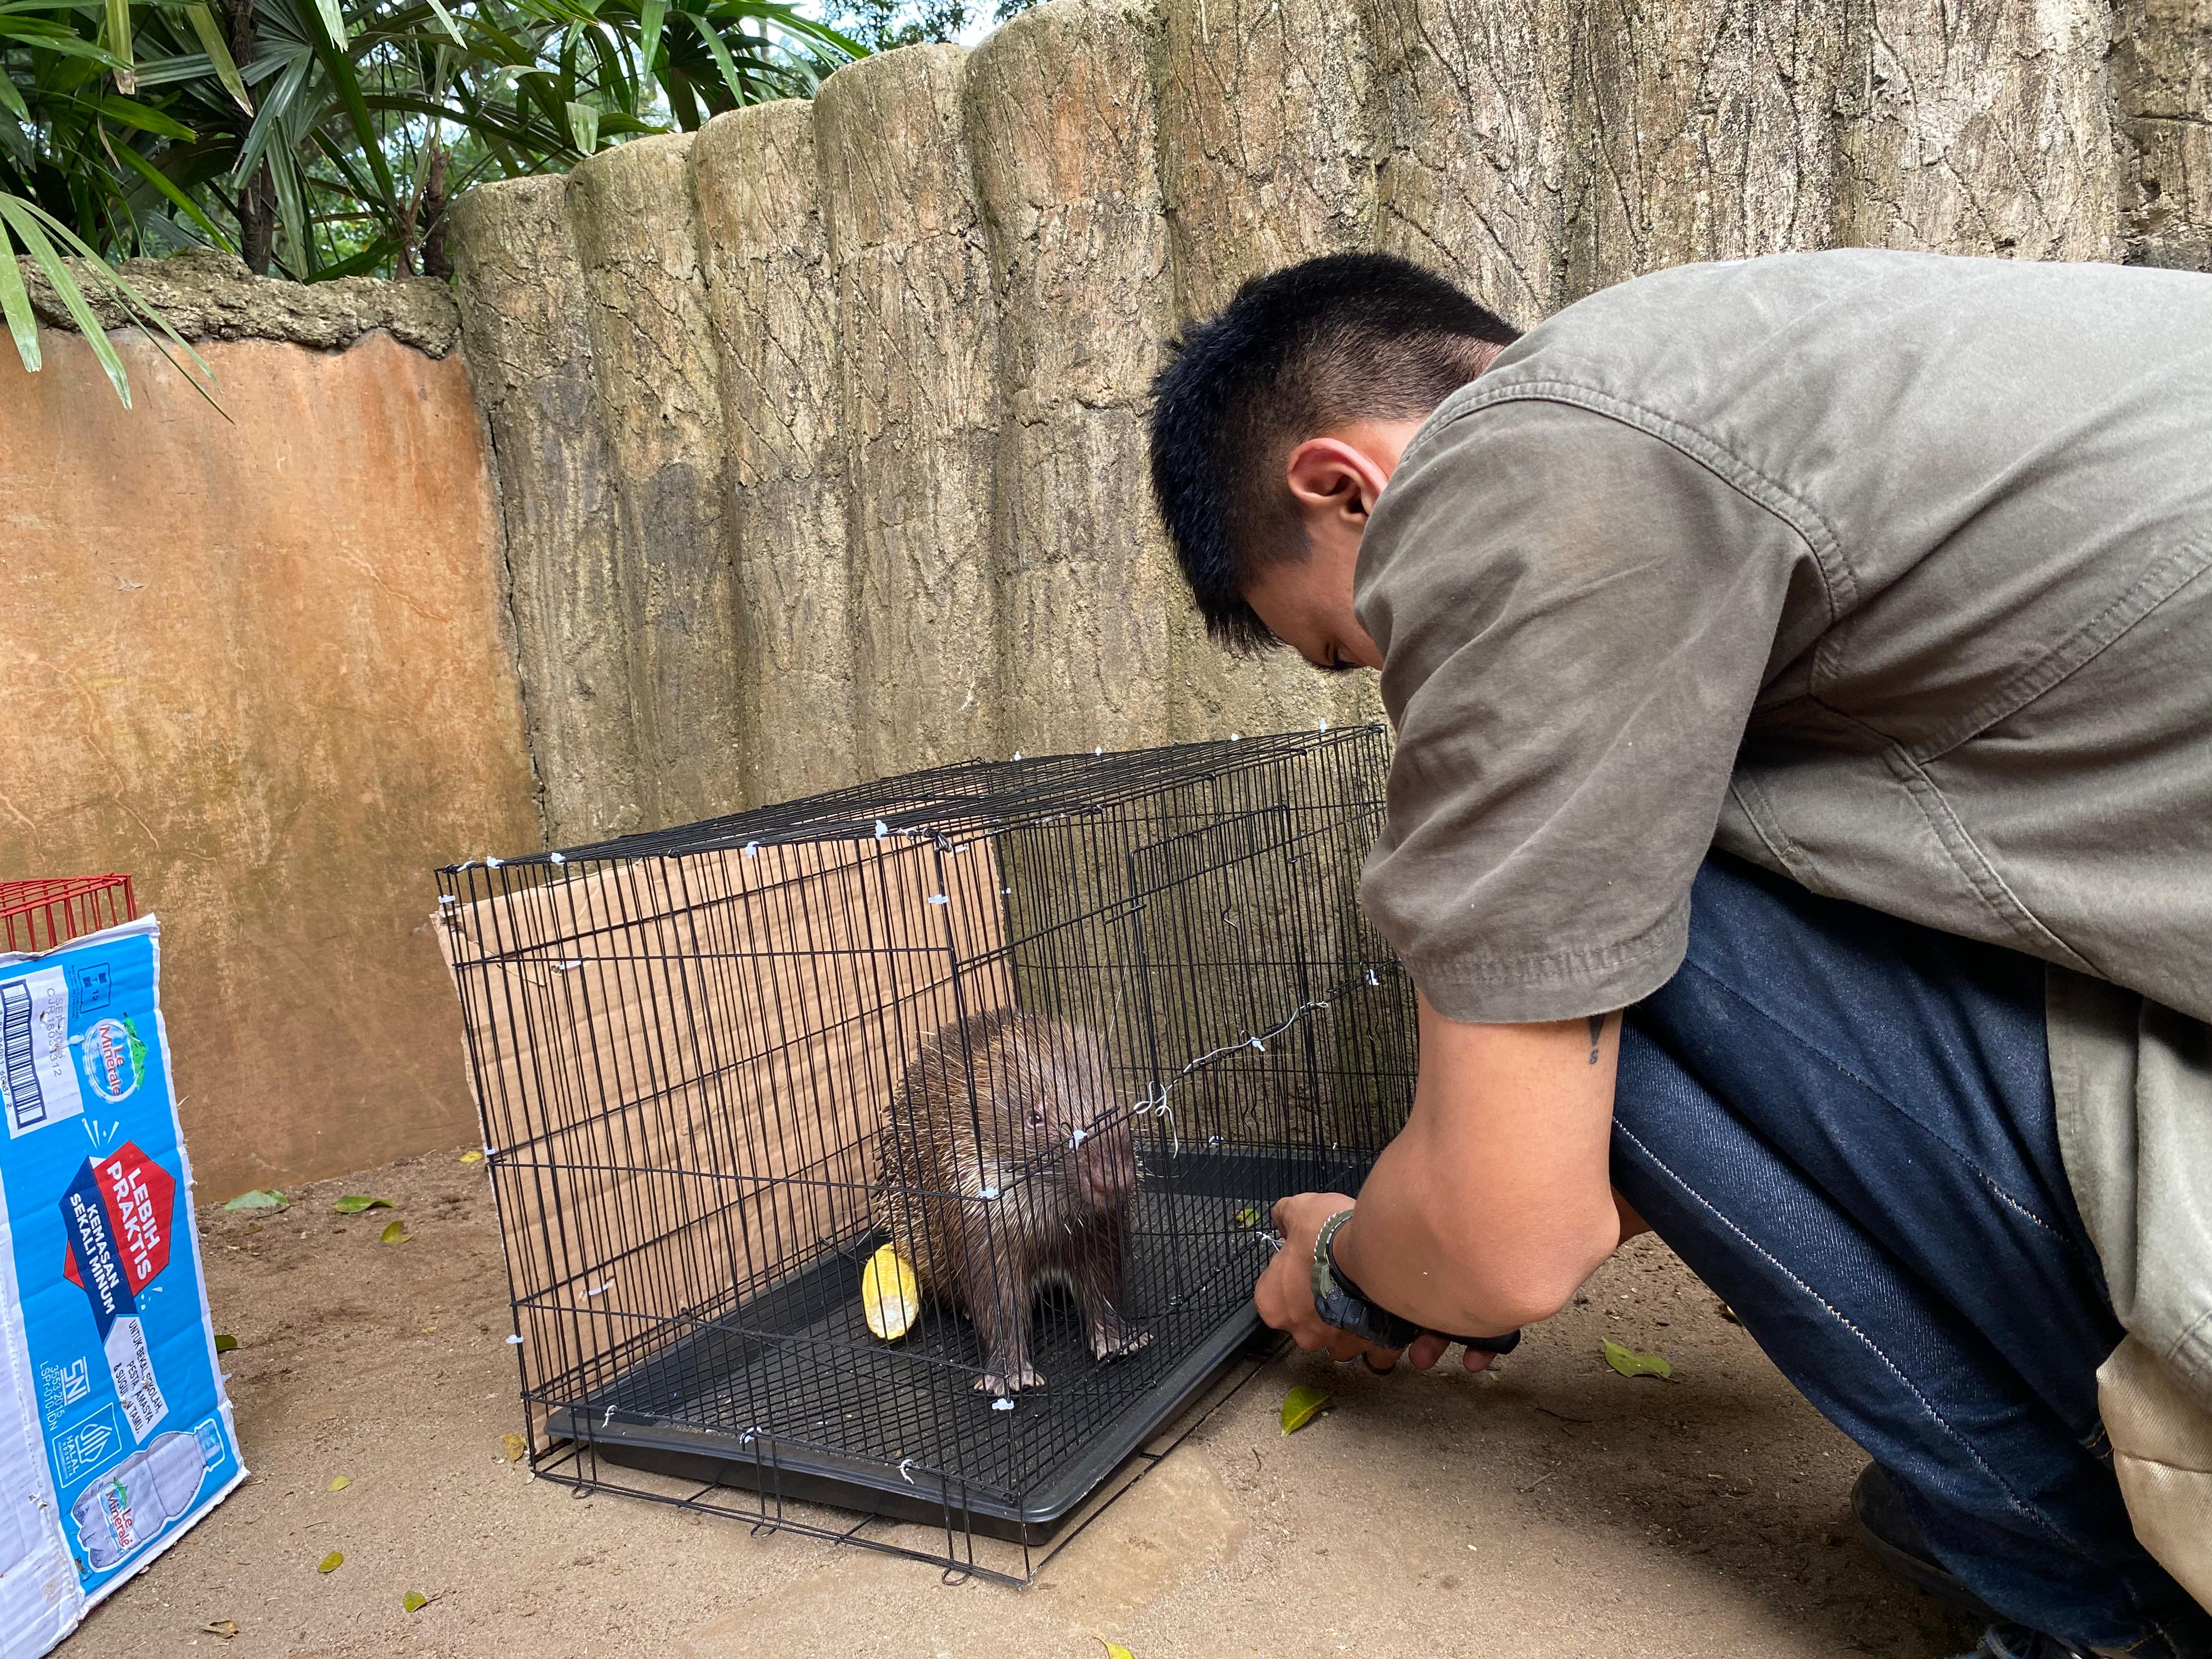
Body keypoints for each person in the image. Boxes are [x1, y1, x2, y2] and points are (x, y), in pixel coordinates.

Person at [1146, 249, 2212, 1658]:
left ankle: (2094, 1606)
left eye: (1351, 648)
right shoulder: (1785, 373)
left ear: (1347, 487)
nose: (1394, 693)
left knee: (1598, 909)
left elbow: (1508, 1246)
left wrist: (1348, 1258)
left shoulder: (1527, 464)